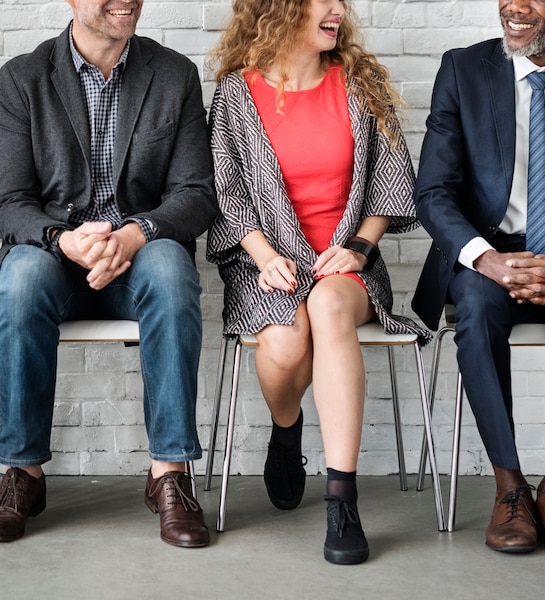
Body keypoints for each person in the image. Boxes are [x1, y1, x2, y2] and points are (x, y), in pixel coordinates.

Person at [206, 0, 429, 564]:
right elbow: (225, 193)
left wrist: (357, 248)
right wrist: (260, 254)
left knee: (327, 307)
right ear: (280, 10)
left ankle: (341, 498)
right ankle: (287, 431)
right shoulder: (236, 93)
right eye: (321, 0)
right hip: (266, 259)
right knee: (284, 339)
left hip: (345, 263)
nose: (336, 10)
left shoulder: (359, 82)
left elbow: (392, 179)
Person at [0, 0, 217, 548]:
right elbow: (9, 200)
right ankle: (24, 472)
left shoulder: (174, 75)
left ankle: (169, 474)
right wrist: (64, 239)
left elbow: (196, 194)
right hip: (56, 256)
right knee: (19, 277)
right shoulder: (22, 79)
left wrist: (134, 233)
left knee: (171, 269)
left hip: (140, 254)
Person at [413, 0, 545, 554]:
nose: (514, 5)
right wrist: (488, 260)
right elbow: (433, 191)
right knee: (478, 309)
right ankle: (509, 487)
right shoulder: (462, 69)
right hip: (489, 247)